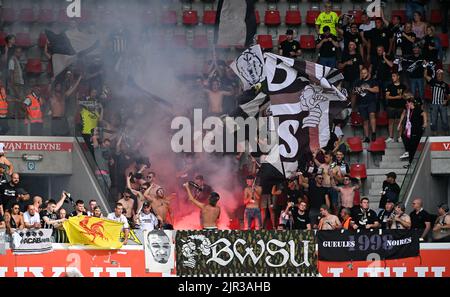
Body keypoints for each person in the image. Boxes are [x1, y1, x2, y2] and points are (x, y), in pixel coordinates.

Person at [398, 96, 427, 167]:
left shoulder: (417, 109)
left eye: (407, 103)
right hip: (410, 131)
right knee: (405, 139)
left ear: (411, 103)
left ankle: (413, 163)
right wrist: (400, 124)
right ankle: (410, 160)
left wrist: (425, 122)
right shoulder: (409, 110)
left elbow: (424, 114)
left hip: (416, 130)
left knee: (413, 147)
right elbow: (404, 115)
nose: (406, 105)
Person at [353, 67, 380, 143]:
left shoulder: (373, 81)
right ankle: (367, 137)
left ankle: (374, 133)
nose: (363, 74)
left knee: (372, 115)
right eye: (362, 73)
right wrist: (358, 90)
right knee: (365, 121)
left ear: (368, 73)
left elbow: (377, 90)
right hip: (361, 103)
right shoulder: (358, 81)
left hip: (371, 102)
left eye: (365, 73)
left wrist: (367, 88)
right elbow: (354, 92)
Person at [424, 69, 449, 136]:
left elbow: (449, 95)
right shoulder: (433, 81)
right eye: (438, 74)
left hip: (442, 104)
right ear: (436, 75)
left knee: (444, 120)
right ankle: (434, 132)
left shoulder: (445, 85)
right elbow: (425, 76)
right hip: (434, 104)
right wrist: (426, 68)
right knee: (433, 120)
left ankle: (446, 132)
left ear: (442, 75)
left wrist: (446, 100)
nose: (439, 75)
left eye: (440, 74)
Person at [339, 41, 363, 106]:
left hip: (356, 78)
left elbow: (361, 67)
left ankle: (352, 110)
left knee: (354, 93)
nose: (350, 46)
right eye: (349, 44)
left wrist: (360, 78)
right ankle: (347, 108)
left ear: (355, 46)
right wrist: (346, 63)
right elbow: (340, 66)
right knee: (346, 94)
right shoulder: (345, 55)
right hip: (346, 78)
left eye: (352, 44)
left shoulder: (358, 55)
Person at [385, 73, 407, 143]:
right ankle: (391, 137)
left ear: (398, 77)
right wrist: (396, 97)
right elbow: (387, 96)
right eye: (392, 76)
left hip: (400, 107)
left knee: (399, 122)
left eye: (394, 76)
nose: (392, 78)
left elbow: (406, 96)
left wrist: (403, 96)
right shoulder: (389, 86)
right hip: (391, 107)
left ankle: (400, 137)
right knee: (391, 122)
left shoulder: (403, 86)